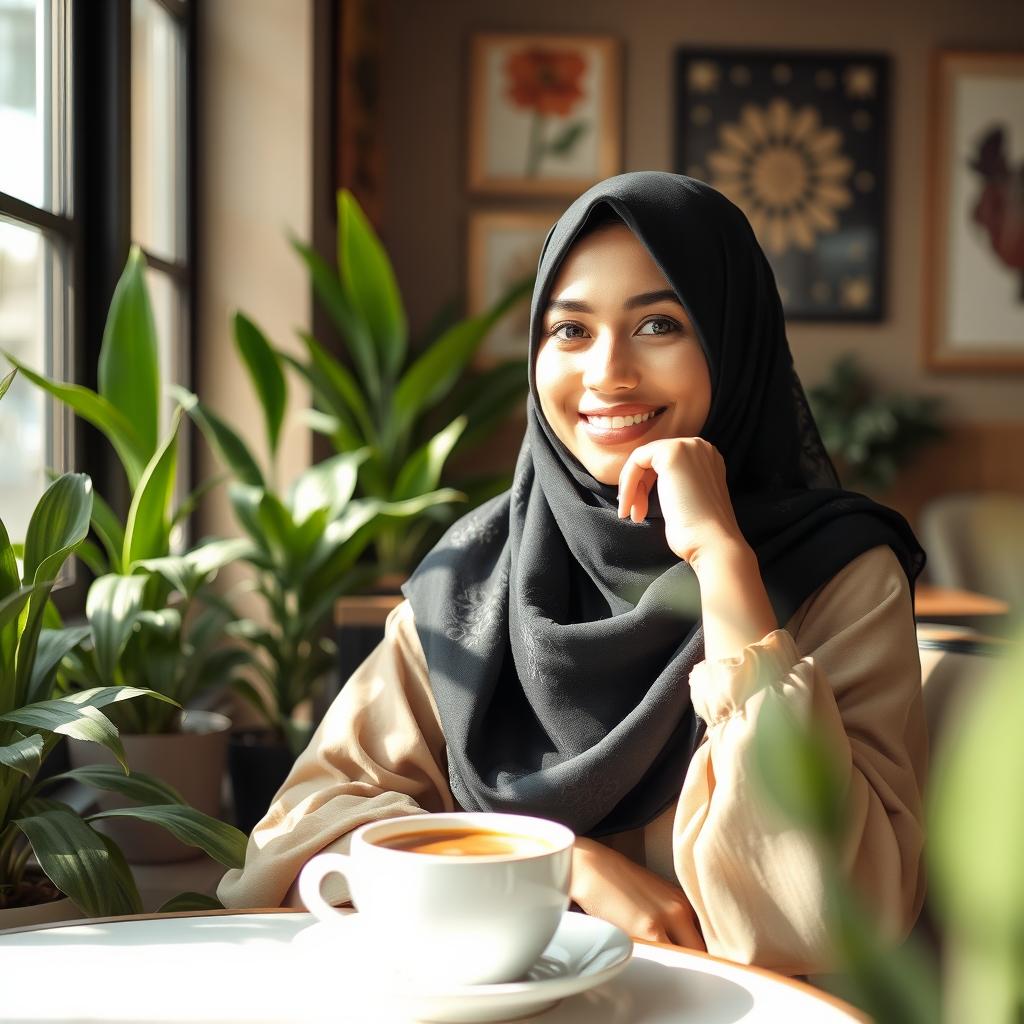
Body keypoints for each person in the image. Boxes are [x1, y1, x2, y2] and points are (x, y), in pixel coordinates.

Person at [216, 171, 928, 977]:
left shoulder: (843, 576)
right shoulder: (478, 574)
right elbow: (292, 841)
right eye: (571, 330)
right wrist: (556, 864)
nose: (607, 375)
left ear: (734, 342)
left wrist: (724, 562)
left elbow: (817, 922)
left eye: (659, 324)